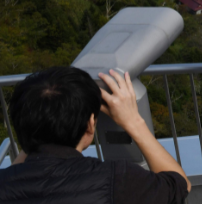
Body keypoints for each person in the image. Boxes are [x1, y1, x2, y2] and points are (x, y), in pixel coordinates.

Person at [0, 66, 191, 203]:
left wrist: (35, 132)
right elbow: (179, 186)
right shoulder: (116, 179)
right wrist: (133, 122)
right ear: (90, 125)